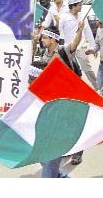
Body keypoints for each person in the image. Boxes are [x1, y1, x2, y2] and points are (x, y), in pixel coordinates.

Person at [33, 21, 85, 165]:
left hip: (70, 93)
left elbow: (74, 43)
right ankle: (63, 150)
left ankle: (77, 153)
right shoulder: (44, 53)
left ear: (53, 39)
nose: (42, 40)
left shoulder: (63, 51)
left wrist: (80, 30)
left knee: (72, 125)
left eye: (44, 38)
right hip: (53, 96)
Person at [28, 60, 68, 178]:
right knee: (53, 171)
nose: (29, 82)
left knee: (49, 172)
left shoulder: (57, 95)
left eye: (32, 79)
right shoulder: (32, 94)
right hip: (42, 140)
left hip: (56, 141)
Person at [59, 0, 98, 90]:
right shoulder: (64, 17)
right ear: (73, 6)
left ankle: (98, 88)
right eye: (79, 5)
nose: (81, 7)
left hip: (81, 47)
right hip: (69, 48)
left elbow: (88, 32)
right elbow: (59, 32)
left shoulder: (82, 17)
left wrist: (94, 48)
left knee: (87, 69)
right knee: (71, 70)